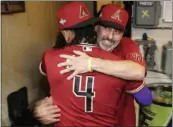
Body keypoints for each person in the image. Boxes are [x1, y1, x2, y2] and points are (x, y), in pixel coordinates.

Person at [34, 2, 152, 126]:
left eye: (117, 31)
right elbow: (146, 98)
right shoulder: (56, 55)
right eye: (106, 28)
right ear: (95, 27)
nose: (110, 37)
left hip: (122, 120)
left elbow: (139, 74)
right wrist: (40, 108)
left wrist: (91, 63)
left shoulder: (52, 56)